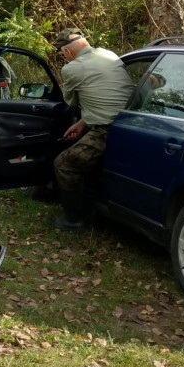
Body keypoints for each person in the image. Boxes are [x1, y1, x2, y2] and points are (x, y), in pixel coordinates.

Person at [51, 28, 135, 231]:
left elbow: (70, 101)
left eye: (63, 53)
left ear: (67, 52)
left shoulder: (71, 69)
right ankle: (94, 207)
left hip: (107, 131)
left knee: (64, 164)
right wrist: (82, 124)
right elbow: (107, 99)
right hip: (132, 124)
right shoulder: (109, 54)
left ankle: (73, 220)